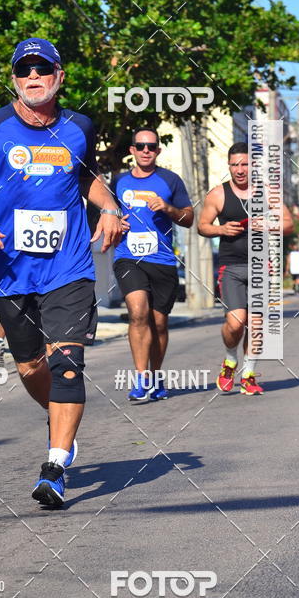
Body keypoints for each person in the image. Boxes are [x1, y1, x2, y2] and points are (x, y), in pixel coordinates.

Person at [0, 37, 124, 507]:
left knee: (67, 365)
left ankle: (56, 465)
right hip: (9, 268)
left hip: (69, 267)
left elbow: (86, 178)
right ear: (15, 79)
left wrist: (109, 207)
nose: (34, 77)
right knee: (29, 367)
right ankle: (64, 417)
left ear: (60, 77)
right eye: (25, 71)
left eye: (43, 69)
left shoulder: (80, 126)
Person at [198, 142, 293, 396]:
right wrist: (221, 229)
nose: (240, 170)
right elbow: (202, 226)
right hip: (231, 267)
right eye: (235, 164)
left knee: (257, 324)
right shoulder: (218, 194)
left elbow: (288, 224)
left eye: (245, 164)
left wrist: (268, 225)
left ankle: (248, 374)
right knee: (237, 321)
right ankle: (230, 361)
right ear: (228, 166)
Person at [112, 128, 193, 402]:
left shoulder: (171, 180)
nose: (146, 150)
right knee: (138, 313)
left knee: (158, 323)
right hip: (128, 257)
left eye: (151, 146)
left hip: (163, 260)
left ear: (158, 150)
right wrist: (115, 222)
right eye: (140, 146)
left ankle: (156, 375)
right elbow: (105, 213)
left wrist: (169, 209)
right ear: (132, 150)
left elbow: (189, 218)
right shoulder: (119, 182)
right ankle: (140, 378)